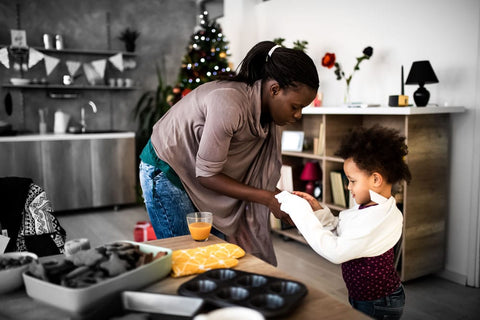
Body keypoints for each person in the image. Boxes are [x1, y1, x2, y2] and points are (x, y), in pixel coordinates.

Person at [139, 40, 319, 265]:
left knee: (218, 257)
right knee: (190, 259)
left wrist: (281, 199)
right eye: (295, 106)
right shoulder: (229, 103)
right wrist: (268, 198)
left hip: (200, 173)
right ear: (274, 89)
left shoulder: (268, 119)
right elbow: (207, 175)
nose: (298, 115)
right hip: (167, 170)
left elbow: (254, 177)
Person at [276, 125, 412, 319]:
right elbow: (343, 229)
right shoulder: (372, 207)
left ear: (375, 179)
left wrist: (300, 212)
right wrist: (318, 211)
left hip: (379, 302)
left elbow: (335, 251)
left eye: (352, 180)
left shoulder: (378, 218)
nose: (348, 187)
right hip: (365, 296)